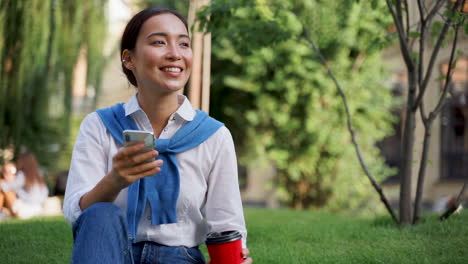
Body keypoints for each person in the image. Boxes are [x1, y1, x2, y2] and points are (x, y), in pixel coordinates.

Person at [63, 7, 252, 264]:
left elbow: (228, 225)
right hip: (111, 254)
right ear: (129, 59)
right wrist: (115, 180)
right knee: (101, 214)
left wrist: (233, 258)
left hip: (179, 256)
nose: (175, 54)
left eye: (184, 44)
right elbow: (79, 215)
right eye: (159, 42)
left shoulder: (213, 136)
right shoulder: (99, 126)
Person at [0, 152, 49, 219]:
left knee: (3, 185)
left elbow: (5, 186)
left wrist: (5, 181)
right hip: (39, 209)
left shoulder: (23, 175)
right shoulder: (38, 176)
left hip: (25, 210)